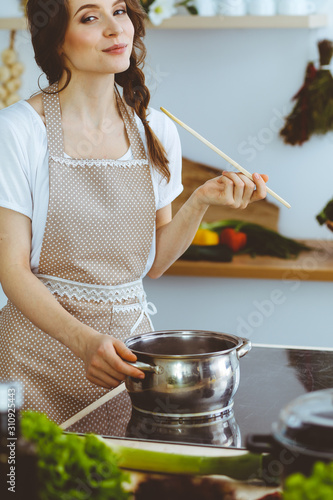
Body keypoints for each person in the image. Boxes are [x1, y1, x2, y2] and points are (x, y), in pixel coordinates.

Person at [0, 0, 268, 431]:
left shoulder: (157, 130)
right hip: (34, 362)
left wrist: (200, 200)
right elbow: (11, 270)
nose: (114, 28)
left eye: (120, 11)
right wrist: (84, 342)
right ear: (55, 39)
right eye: (90, 17)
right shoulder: (17, 131)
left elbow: (156, 263)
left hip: (127, 366)